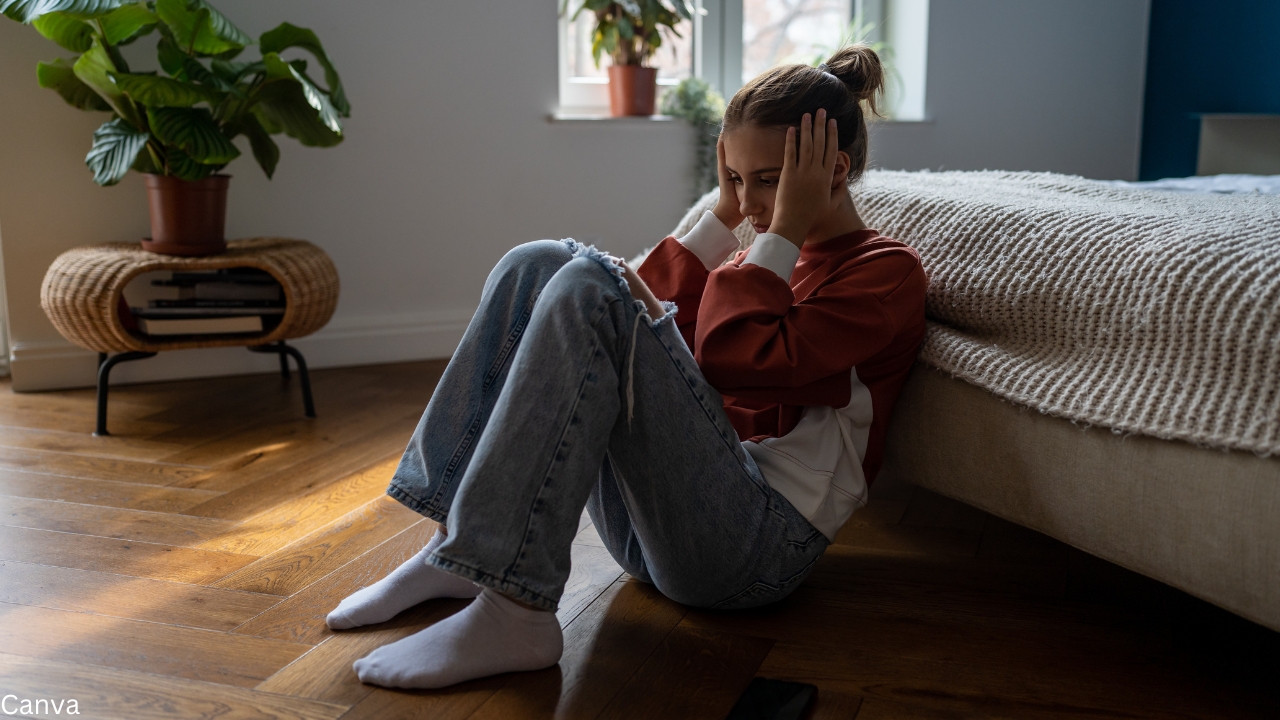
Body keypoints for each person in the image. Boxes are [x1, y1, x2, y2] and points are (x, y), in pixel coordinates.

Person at [326, 43, 926, 690]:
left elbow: (732, 360)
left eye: (770, 180)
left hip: (756, 552)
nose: (750, 205)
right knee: (543, 263)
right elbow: (629, 313)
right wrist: (724, 219)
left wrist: (776, 238)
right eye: (736, 180)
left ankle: (516, 610)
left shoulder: (883, 274)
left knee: (588, 282)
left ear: (832, 171)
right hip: (660, 532)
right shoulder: (753, 266)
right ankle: (461, 546)